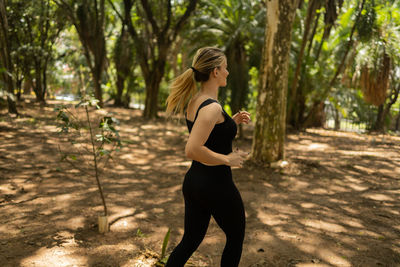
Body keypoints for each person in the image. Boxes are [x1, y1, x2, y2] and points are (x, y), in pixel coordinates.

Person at [165, 47, 251, 267]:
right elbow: (192, 149)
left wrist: (232, 121)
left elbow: (208, 133)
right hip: (216, 185)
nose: (228, 72)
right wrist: (227, 159)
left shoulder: (197, 101)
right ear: (215, 71)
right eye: (225, 68)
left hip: (195, 182)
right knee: (235, 236)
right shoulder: (211, 108)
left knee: (190, 241)